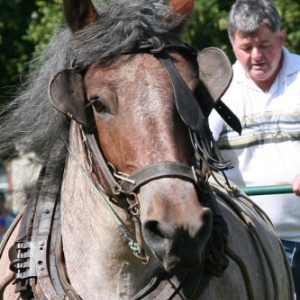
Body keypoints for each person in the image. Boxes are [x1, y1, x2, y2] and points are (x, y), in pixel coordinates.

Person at [208, 0, 300, 298]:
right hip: (253, 245)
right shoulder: (217, 90)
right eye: (246, 48)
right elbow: (196, 156)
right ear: (231, 44)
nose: (257, 56)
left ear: (282, 37)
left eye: (265, 45)